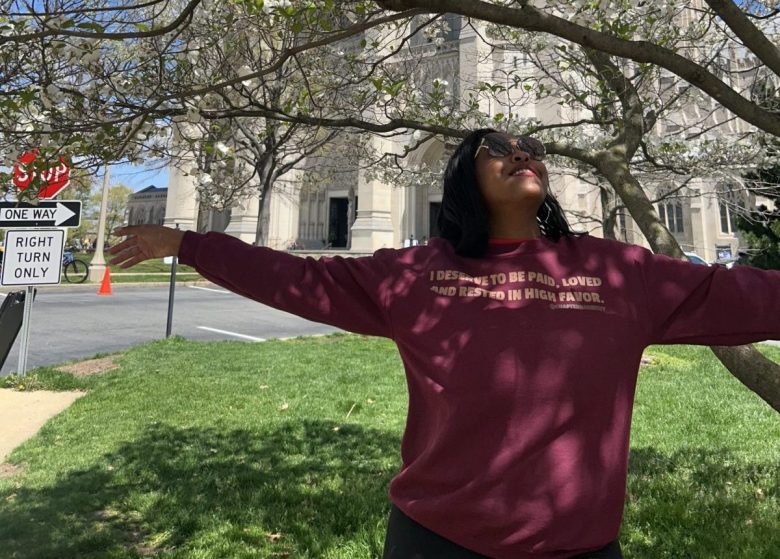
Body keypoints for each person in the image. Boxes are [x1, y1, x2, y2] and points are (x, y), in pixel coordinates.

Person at [109, 129, 780, 559]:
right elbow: (299, 279)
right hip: (439, 540)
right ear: (463, 177)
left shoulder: (616, 272)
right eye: (497, 146)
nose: (523, 152)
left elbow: (744, 295)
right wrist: (188, 241)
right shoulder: (419, 274)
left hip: (576, 545)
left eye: (531, 146)